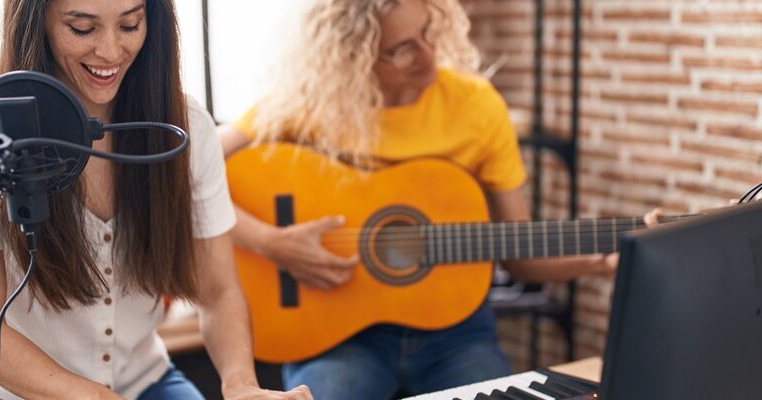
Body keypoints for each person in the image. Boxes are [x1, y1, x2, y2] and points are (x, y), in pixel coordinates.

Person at [219, 0, 660, 398]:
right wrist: (271, 242)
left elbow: (521, 256)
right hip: (338, 339)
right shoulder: (310, 104)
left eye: (429, 31)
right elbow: (185, 176)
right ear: (355, 54)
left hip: (457, 338)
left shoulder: (478, 106)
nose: (428, 55)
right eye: (402, 48)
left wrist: (606, 259)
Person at [0, 1, 311, 399]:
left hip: (144, 383)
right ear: (34, 21)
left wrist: (241, 385)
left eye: (130, 25)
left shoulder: (187, 128)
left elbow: (218, 291)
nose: (111, 52)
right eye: (82, 28)